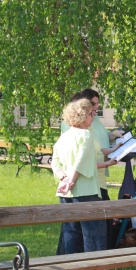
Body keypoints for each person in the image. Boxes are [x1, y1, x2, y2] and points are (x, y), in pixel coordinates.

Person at [51, 98, 115, 254]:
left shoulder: (64, 136)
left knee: (71, 231)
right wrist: (71, 180)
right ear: (83, 116)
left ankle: (71, 264)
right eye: (90, 114)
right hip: (86, 190)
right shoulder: (85, 135)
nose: (93, 117)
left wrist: (63, 179)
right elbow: (81, 161)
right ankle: (94, 267)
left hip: (65, 192)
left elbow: (55, 162)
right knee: (93, 232)